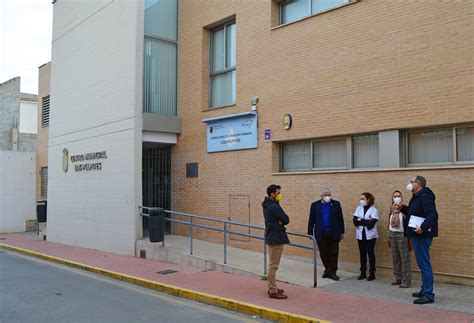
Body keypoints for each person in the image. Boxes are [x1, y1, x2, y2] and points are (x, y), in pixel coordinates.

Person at [406, 175, 438, 305]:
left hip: (422, 235)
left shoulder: (424, 196)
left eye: (411, 181)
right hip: (417, 235)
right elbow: (415, 212)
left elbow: (433, 215)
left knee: (424, 264)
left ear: (418, 184)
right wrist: (403, 208)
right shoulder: (417, 196)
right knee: (422, 263)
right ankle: (424, 289)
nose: (409, 183)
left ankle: (428, 294)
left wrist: (423, 227)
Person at [307, 188, 345, 281]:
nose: (328, 197)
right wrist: (309, 233)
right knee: (323, 253)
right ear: (321, 196)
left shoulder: (336, 204)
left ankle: (333, 272)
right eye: (325, 195)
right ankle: (327, 269)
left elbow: (340, 218)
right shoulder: (315, 205)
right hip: (320, 233)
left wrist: (342, 231)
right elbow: (311, 219)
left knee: (333, 253)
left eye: (329, 195)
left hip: (334, 233)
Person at [262, 184, 290, 299]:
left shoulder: (269, 205)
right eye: (278, 193)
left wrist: (280, 221)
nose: (279, 195)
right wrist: (281, 221)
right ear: (272, 194)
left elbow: (281, 219)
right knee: (273, 265)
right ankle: (272, 290)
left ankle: (272, 287)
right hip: (276, 237)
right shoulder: (274, 206)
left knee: (272, 264)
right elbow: (286, 219)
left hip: (272, 236)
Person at [388, 191, 412, 288]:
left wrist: (401, 208)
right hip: (392, 234)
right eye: (395, 196)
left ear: (401, 198)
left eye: (398, 196)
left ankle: (406, 281)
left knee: (404, 258)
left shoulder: (405, 208)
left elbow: (409, 218)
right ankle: (398, 278)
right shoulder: (391, 208)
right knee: (396, 258)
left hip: (402, 235)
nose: (396, 197)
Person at [353, 192, 379, 281]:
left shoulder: (374, 210)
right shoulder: (358, 208)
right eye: (360, 199)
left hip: (370, 236)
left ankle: (372, 273)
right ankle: (363, 272)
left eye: (363, 199)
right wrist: (365, 221)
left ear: (368, 199)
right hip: (361, 234)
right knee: (362, 253)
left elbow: (371, 224)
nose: (361, 200)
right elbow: (355, 221)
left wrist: (361, 220)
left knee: (370, 253)